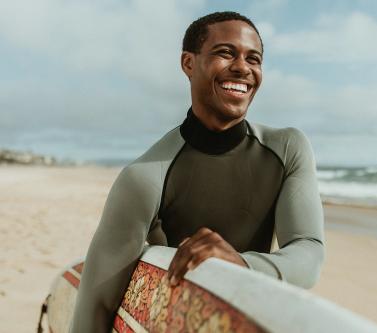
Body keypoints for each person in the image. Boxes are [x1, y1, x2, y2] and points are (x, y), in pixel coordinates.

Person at [70, 11, 325, 332]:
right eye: (225, 53)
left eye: (254, 59)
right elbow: (98, 302)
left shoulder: (287, 148)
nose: (242, 67)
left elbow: (308, 253)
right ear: (188, 63)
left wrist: (242, 263)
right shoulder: (146, 176)